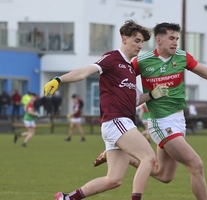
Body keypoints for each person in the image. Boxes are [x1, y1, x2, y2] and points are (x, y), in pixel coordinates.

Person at [94, 22, 207, 200]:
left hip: (179, 120)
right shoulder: (141, 61)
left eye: (177, 39)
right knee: (196, 164)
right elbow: (122, 78)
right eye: (171, 38)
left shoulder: (182, 57)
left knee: (164, 175)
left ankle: (126, 157)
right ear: (159, 40)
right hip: (161, 122)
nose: (175, 43)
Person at [43, 20, 169, 200]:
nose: (140, 45)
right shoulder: (112, 58)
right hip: (116, 121)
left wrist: (152, 95)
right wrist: (59, 79)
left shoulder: (130, 69)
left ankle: (67, 198)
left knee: (114, 180)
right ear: (124, 39)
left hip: (119, 125)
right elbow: (84, 72)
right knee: (148, 158)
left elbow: (133, 101)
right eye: (136, 40)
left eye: (142, 42)